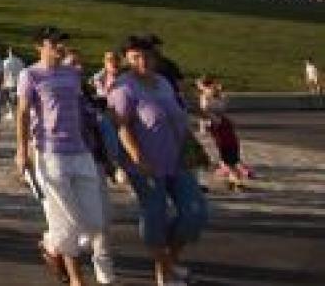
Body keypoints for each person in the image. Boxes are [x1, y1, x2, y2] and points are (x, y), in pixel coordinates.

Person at [17, 27, 114, 286]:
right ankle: (76, 279)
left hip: (81, 151)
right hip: (51, 154)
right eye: (54, 43)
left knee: (95, 222)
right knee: (70, 225)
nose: (60, 47)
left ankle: (52, 242)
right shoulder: (30, 75)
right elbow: (23, 113)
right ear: (40, 46)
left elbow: (82, 111)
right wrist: (22, 151)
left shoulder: (73, 74)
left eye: (62, 42)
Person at [109, 35, 209, 286]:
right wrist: (137, 157)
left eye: (147, 56)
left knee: (195, 213)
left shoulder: (163, 82)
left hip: (177, 159)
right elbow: (121, 126)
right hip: (145, 165)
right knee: (155, 215)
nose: (142, 62)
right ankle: (164, 272)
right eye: (135, 57)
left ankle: (170, 261)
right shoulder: (123, 87)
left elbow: (179, 112)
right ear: (126, 60)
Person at [1, 47, 24, 123]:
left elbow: (3, 73)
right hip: (18, 82)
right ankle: (17, 112)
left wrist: (2, 82)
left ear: (8, 52)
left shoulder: (5, 62)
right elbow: (22, 71)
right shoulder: (20, 61)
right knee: (17, 99)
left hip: (8, 82)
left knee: (8, 99)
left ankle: (11, 113)